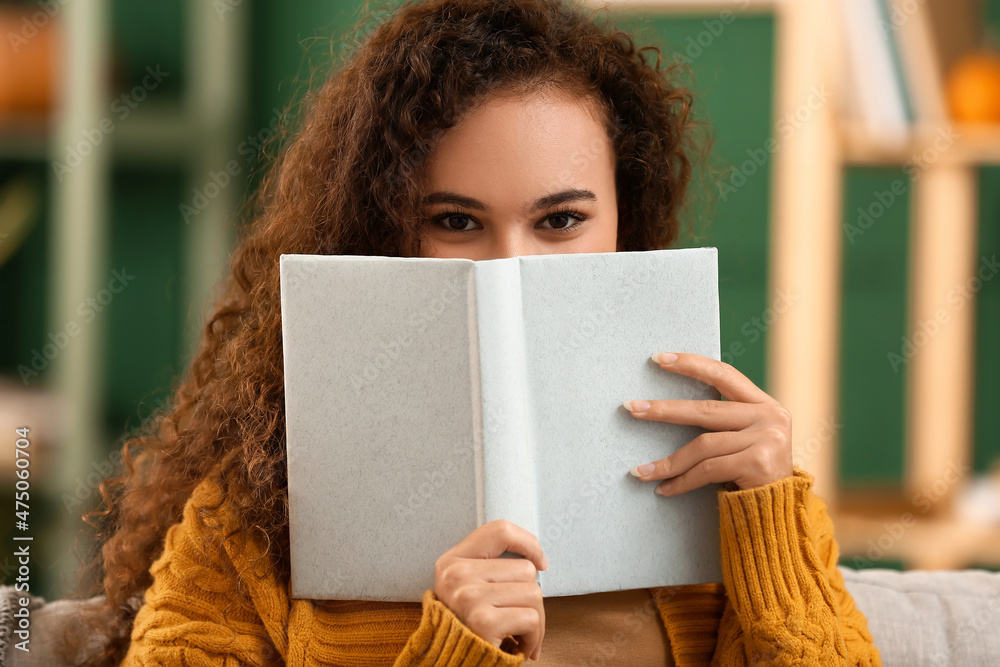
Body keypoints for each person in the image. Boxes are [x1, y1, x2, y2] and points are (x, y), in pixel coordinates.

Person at [63, 0, 883, 665]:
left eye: (561, 219)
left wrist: (770, 521)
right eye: (456, 220)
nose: (509, 266)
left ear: (626, 228)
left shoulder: (734, 496)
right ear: (381, 232)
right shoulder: (250, 519)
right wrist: (450, 653)